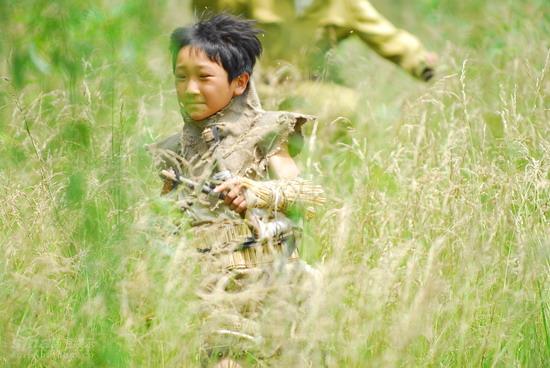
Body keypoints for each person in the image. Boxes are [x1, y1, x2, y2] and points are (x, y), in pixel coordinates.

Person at [148, 14, 324, 367]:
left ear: (239, 82)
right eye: (181, 78)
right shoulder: (174, 147)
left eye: (204, 78)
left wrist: (256, 192)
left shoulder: (265, 132)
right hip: (207, 289)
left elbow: (310, 196)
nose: (190, 89)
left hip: (270, 281)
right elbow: (163, 223)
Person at [191, 0, 437, 82]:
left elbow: (384, 34)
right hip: (259, 81)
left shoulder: (343, 4)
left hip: (313, 82)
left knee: (340, 107)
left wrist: (420, 62)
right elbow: (216, 17)